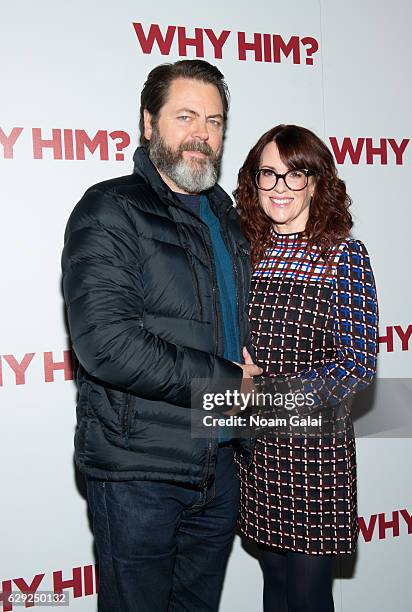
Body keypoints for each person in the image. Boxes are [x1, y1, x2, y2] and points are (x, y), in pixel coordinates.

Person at [61, 59, 261, 612]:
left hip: (219, 468)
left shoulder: (226, 216)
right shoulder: (111, 209)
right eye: (186, 116)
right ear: (149, 123)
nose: (202, 133)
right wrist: (228, 383)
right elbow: (107, 344)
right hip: (139, 472)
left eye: (215, 121)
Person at [234, 124, 378, 612]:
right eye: (268, 174)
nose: (279, 188)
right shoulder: (247, 252)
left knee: (307, 590)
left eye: (295, 175)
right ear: (254, 182)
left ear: (317, 182)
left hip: (314, 447)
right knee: (273, 577)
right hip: (256, 444)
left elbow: (357, 364)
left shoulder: (343, 254)